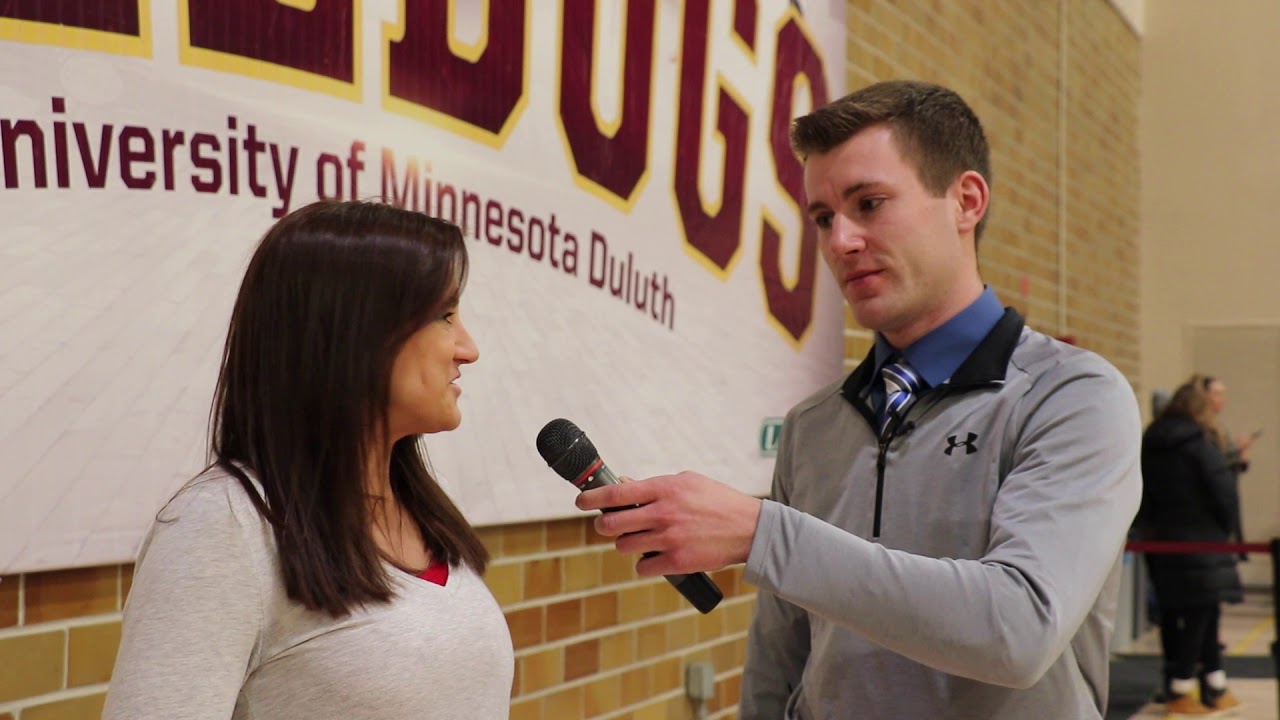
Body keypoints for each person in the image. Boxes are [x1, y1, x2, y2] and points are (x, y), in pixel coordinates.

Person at [576, 80, 1142, 719]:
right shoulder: (814, 425)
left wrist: (765, 534)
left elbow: (1018, 630)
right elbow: (779, 657)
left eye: (869, 203)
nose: (840, 241)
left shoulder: (1073, 398)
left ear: (966, 201)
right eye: (823, 218)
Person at [104, 201, 513, 719]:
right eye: (445, 316)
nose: (468, 348)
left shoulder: (419, 503)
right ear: (354, 330)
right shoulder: (222, 526)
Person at [1136, 379, 1244, 715]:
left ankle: (1214, 684)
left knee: (1177, 614)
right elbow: (1223, 492)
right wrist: (1227, 530)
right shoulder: (1201, 442)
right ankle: (1182, 690)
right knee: (1202, 614)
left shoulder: (1149, 441)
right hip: (1201, 539)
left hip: (1160, 540)